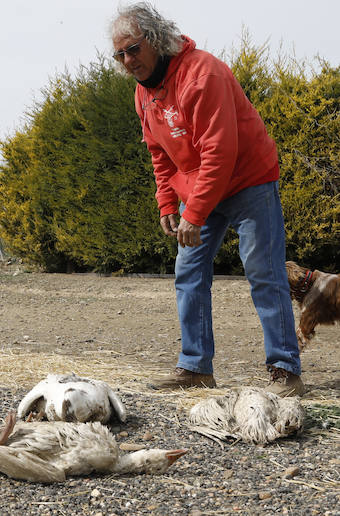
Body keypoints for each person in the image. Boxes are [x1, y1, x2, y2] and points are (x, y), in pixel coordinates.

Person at [109, 3, 304, 396]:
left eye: (133, 49)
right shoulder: (143, 95)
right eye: (120, 54)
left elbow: (220, 152)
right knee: (188, 272)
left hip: (249, 180)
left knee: (264, 273)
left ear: (156, 39)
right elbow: (159, 152)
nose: (129, 61)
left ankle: (286, 371)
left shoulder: (203, 73)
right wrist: (168, 202)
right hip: (200, 188)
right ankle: (196, 368)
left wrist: (193, 214)